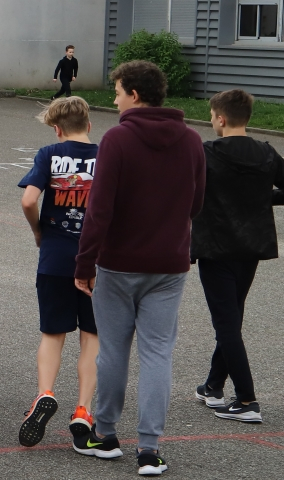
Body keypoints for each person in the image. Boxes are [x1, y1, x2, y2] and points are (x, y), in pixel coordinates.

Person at [74, 60, 205, 476]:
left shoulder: (117, 139)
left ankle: (107, 434)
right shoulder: (191, 141)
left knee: (113, 349)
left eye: (117, 91)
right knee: (157, 353)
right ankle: (149, 449)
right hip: (169, 264)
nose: (113, 98)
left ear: (133, 93)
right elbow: (197, 203)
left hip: (118, 262)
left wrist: (85, 260)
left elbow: (100, 209)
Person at [191, 89, 282, 424]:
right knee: (232, 318)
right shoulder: (266, 153)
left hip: (217, 248)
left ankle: (247, 399)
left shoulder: (207, 153)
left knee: (226, 324)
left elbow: (189, 191)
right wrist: (261, 198)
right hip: (251, 248)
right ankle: (213, 386)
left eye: (212, 116)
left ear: (221, 118)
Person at [15, 97, 99, 450]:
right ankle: (83, 409)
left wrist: (39, 231)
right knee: (92, 336)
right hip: (95, 257)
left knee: (52, 332)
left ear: (57, 128)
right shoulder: (105, 155)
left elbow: (29, 200)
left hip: (56, 255)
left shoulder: (49, 153)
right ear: (89, 124)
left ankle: (45, 392)